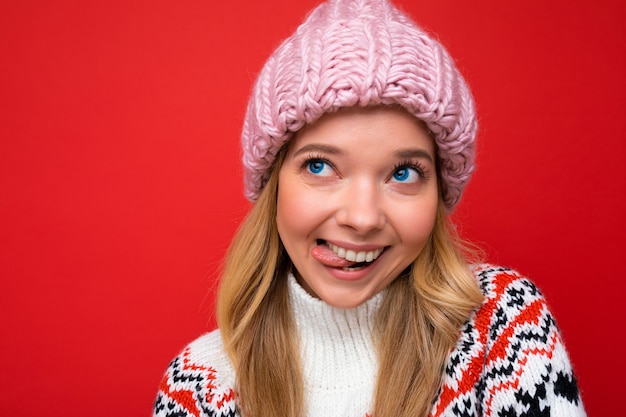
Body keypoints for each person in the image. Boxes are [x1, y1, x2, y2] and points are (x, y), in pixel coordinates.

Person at [153, 0, 587, 416]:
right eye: (320, 166)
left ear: (438, 193)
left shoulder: (503, 331)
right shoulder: (200, 386)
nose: (362, 219)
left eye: (403, 173)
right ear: (274, 186)